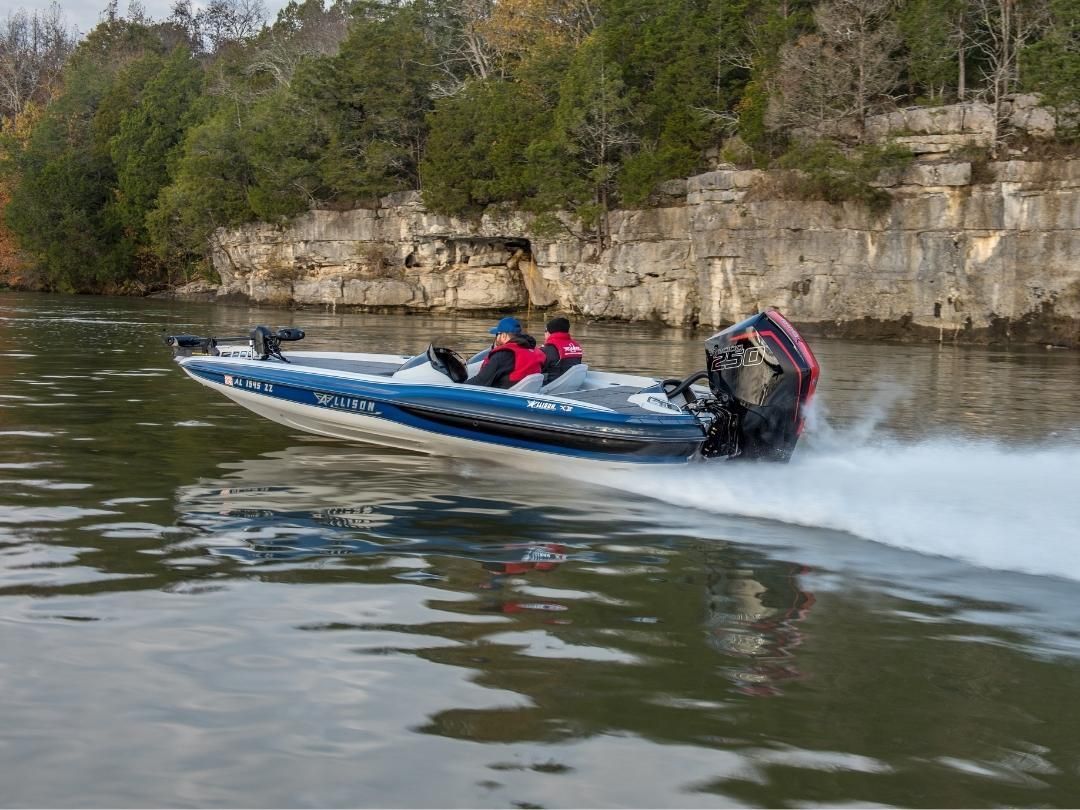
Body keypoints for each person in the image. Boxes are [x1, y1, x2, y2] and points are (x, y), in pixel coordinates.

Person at [464, 316, 544, 388]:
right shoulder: (532, 350)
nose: (496, 338)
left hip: (501, 398)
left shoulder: (502, 355)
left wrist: (460, 386)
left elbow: (481, 381)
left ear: (504, 335)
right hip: (522, 393)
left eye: (497, 334)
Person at [539, 316, 583, 383]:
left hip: (552, 385)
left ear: (550, 332)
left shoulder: (548, 349)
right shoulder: (576, 346)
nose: (544, 333)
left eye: (545, 330)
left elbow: (537, 368)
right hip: (573, 383)